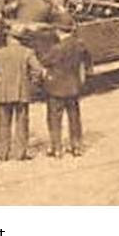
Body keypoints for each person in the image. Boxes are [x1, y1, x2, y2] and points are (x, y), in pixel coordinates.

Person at [0, 29, 45, 160]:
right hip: (22, 91)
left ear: (9, 39)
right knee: (22, 123)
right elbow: (38, 70)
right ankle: (20, 153)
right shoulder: (27, 53)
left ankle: (3, 153)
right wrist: (32, 82)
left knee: (3, 123)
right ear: (20, 39)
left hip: (3, 91)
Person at [39, 18, 92, 157]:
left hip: (56, 88)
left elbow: (45, 61)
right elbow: (88, 61)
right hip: (74, 86)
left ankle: (57, 148)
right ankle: (77, 146)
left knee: (54, 118)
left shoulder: (57, 49)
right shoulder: (80, 45)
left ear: (58, 31)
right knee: (74, 117)